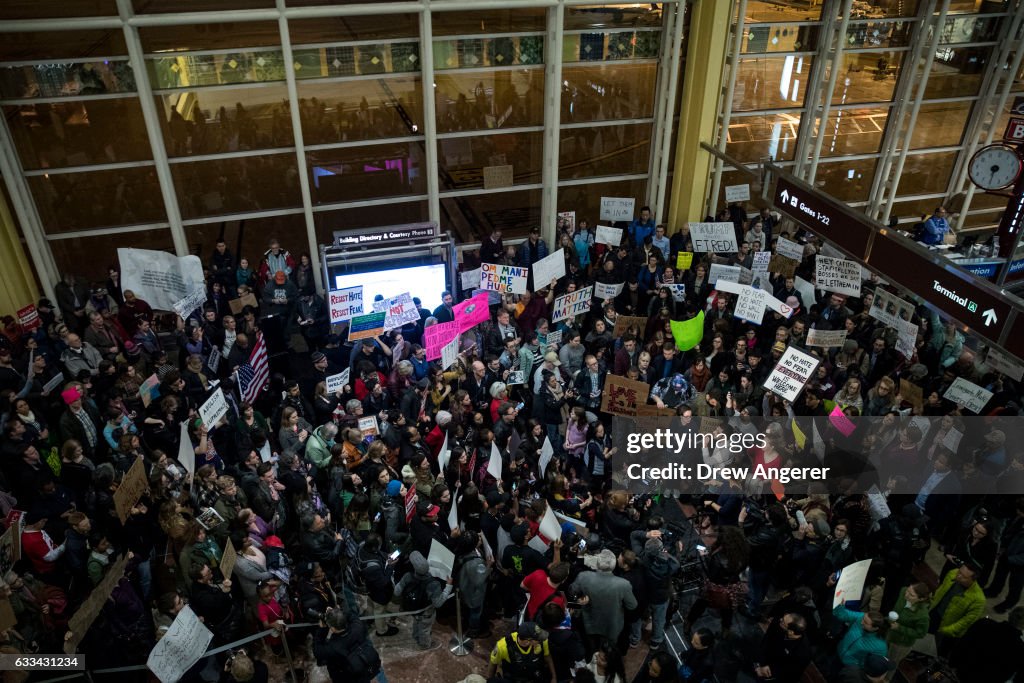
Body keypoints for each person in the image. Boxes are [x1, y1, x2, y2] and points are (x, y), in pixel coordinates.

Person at [312, 606, 383, 683]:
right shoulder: (358, 627)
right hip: (363, 671)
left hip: (345, 678)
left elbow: (317, 650)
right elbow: (352, 615)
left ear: (332, 628)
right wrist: (338, 613)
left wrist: (322, 629)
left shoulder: (332, 647)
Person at [929, 562, 986, 655]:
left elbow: (966, 622)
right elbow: (942, 589)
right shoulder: (953, 573)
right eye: (959, 572)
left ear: (973, 580)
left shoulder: (978, 599)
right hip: (934, 614)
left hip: (946, 630)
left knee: (935, 650)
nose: (958, 576)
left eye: (963, 576)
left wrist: (946, 631)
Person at [487, 621, 557, 683]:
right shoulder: (503, 646)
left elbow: (547, 657)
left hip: (534, 678)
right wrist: (490, 679)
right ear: (527, 641)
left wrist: (554, 678)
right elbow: (493, 663)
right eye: (537, 639)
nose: (541, 640)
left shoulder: (543, 642)